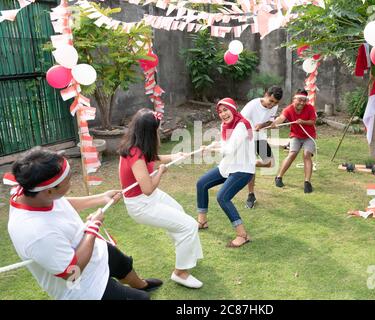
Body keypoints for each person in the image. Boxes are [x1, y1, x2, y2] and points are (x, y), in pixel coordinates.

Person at [7, 147, 162, 300]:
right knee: (142, 299)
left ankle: (141, 285)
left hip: (92, 251)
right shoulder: (35, 233)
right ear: (48, 191)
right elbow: (71, 272)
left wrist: (101, 198)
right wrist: (92, 229)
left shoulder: (33, 195)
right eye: (68, 181)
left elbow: (61, 203)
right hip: (83, 287)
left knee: (123, 264)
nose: (71, 184)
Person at [119, 108, 203, 289]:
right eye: (156, 129)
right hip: (141, 205)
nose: (158, 132)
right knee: (188, 225)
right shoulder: (135, 153)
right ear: (149, 132)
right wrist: (161, 172)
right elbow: (148, 188)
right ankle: (180, 273)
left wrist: (173, 157)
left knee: (179, 213)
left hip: (149, 198)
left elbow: (152, 158)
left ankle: (186, 253)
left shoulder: (136, 144)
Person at [196, 98, 255, 248]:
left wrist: (211, 150)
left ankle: (242, 235)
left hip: (242, 169)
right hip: (228, 167)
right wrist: (212, 145)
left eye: (226, 110)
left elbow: (229, 150)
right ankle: (202, 221)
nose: (223, 114)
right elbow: (224, 144)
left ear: (233, 109)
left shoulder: (242, 125)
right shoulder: (226, 125)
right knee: (202, 183)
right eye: (220, 111)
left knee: (222, 197)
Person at [240, 86, 283, 209]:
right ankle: (251, 195)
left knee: (269, 162)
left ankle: (250, 164)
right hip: (247, 137)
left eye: (275, 103)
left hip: (260, 136)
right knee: (250, 167)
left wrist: (264, 124)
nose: (272, 105)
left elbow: (270, 121)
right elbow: (239, 121)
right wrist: (250, 128)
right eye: (271, 101)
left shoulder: (274, 106)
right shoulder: (252, 106)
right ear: (266, 95)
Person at [271, 89, 317, 193]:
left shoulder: (310, 108)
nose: (302, 103)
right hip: (295, 136)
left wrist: (303, 122)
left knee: (306, 155)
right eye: (299, 100)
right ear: (294, 99)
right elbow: (281, 118)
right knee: (292, 154)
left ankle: (307, 182)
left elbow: (313, 121)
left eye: (304, 100)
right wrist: (274, 123)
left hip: (309, 136)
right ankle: (279, 177)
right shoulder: (289, 109)